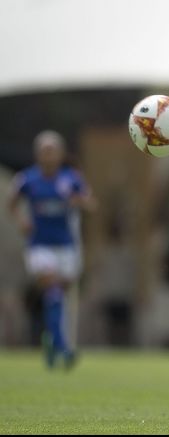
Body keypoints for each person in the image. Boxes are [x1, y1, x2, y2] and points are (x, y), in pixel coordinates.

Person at [7, 130, 96, 369]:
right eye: (44, 151)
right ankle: (63, 347)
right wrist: (22, 222)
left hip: (67, 246)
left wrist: (80, 202)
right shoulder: (27, 179)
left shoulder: (72, 178)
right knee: (53, 292)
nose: (48, 156)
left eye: (52, 151)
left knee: (58, 298)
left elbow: (90, 203)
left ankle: (51, 338)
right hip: (40, 246)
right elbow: (11, 202)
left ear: (60, 154)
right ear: (37, 154)